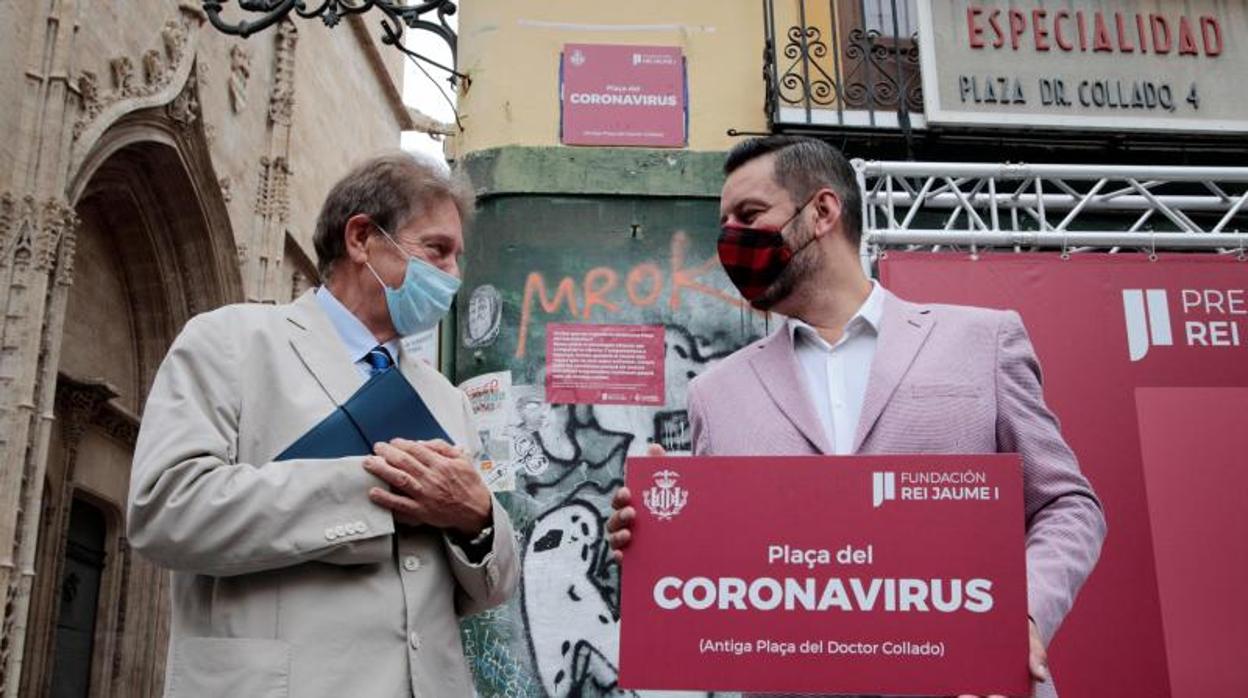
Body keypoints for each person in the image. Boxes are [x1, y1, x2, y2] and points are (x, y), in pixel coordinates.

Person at [607, 136, 1106, 698]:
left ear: (822, 211)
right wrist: (656, 539)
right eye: (724, 222)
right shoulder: (715, 394)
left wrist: (1026, 613)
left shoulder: (983, 341)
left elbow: (1067, 505)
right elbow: (727, 570)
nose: (730, 239)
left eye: (749, 215)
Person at [128, 152, 519, 697]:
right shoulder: (231, 344)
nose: (454, 275)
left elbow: (487, 589)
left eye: (458, 256)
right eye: (437, 250)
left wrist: (474, 520)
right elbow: (164, 510)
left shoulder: (447, 402)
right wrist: (380, 487)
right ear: (361, 238)